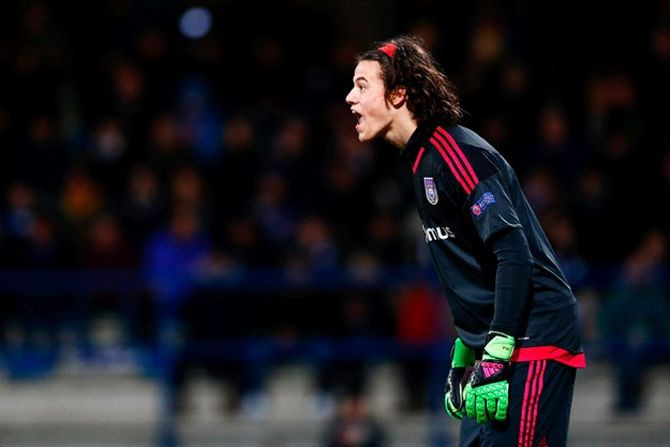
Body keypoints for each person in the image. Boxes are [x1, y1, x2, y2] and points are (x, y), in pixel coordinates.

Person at [345, 35, 586, 447]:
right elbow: (475, 267)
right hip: (494, 345)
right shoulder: (422, 163)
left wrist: (497, 350)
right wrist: (467, 348)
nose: (350, 97)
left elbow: (513, 253)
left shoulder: (455, 153)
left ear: (399, 94)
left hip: (532, 337)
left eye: (362, 85)